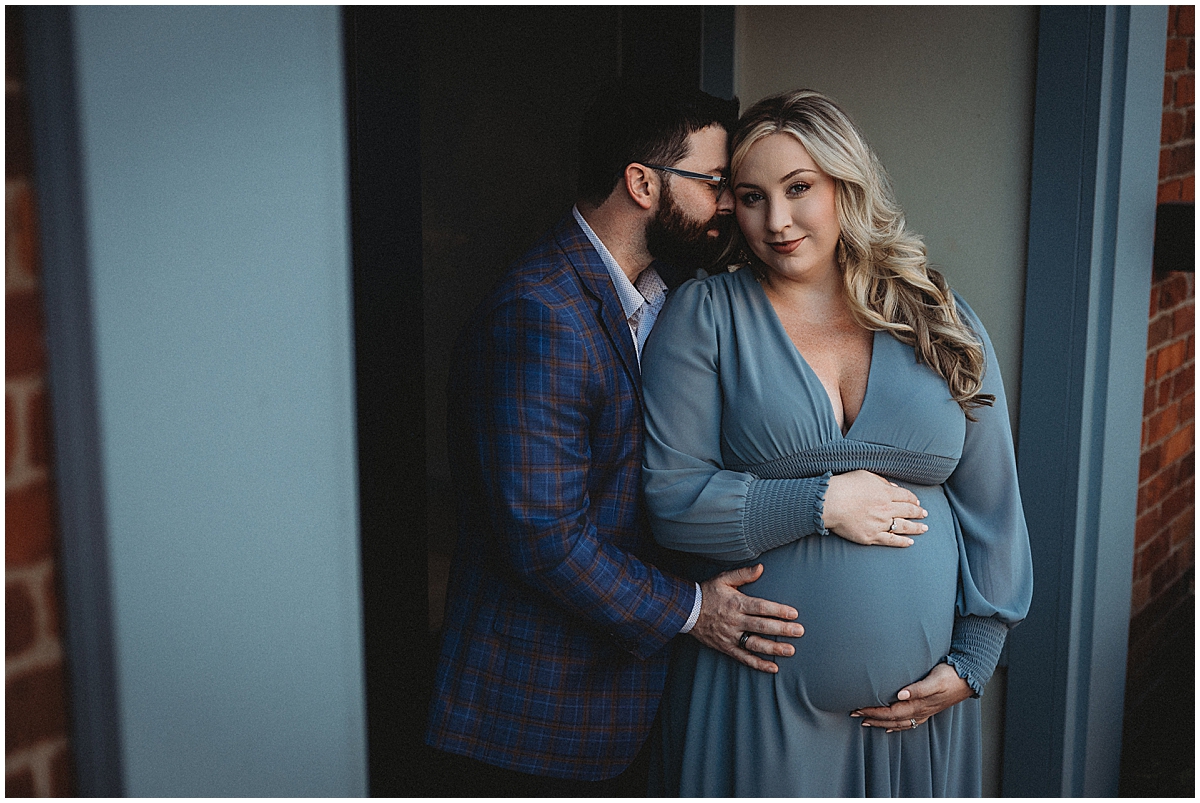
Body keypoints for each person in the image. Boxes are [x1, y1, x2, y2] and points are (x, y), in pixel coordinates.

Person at [425, 83, 855, 797]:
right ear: (642, 182)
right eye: (716, 183)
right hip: (534, 720)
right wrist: (694, 609)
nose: (728, 205)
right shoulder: (540, 314)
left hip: (626, 708)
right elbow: (546, 539)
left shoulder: (664, 293)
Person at [641, 89, 1034, 797]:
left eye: (799, 189)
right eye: (752, 196)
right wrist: (820, 502)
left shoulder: (937, 316)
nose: (778, 221)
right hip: (755, 702)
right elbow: (671, 500)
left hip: (918, 716)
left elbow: (993, 500)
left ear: (843, 185)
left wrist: (975, 657)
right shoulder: (706, 317)